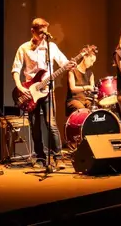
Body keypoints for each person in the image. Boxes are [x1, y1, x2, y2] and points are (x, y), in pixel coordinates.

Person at [11, 18, 75, 170]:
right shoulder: (24, 48)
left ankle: (58, 157)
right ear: (33, 31)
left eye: (45, 33)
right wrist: (20, 86)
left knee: (51, 124)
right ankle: (40, 157)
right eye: (40, 33)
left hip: (46, 91)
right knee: (35, 126)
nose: (43, 36)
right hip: (30, 92)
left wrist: (71, 64)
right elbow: (16, 69)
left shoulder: (50, 47)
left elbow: (63, 62)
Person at [66, 52, 97, 116]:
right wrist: (87, 87)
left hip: (86, 99)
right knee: (83, 111)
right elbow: (72, 89)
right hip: (74, 99)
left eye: (93, 62)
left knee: (95, 110)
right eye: (91, 61)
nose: (92, 64)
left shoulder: (90, 73)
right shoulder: (72, 71)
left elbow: (92, 88)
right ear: (85, 57)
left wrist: (93, 93)